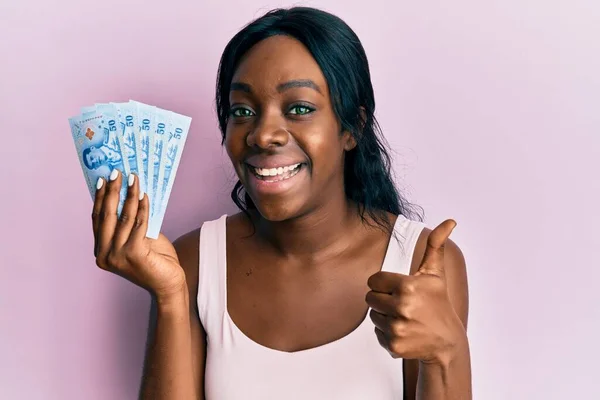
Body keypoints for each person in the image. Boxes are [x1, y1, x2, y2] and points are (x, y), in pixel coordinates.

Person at [90, 6, 471, 399]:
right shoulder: (192, 262)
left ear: (352, 127)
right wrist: (170, 296)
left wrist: (445, 353)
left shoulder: (421, 264)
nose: (263, 134)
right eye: (243, 111)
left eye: (299, 109)